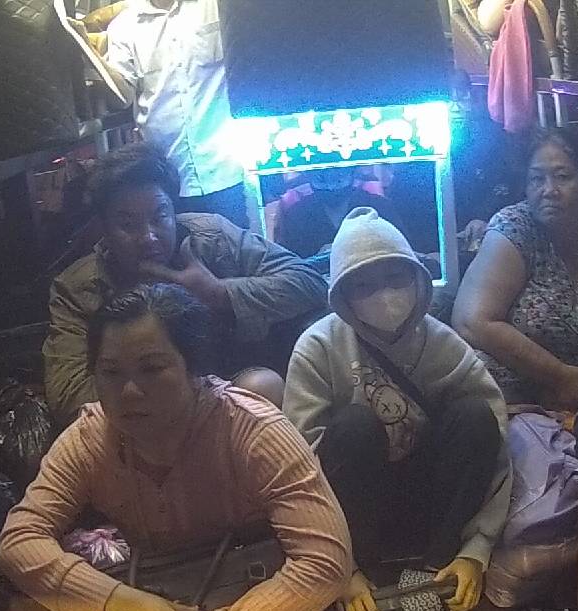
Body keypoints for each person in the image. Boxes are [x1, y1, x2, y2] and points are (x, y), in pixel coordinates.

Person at [2, 283, 352, 611]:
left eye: (152, 368)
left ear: (194, 368)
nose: (129, 391)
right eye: (110, 372)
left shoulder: (253, 431)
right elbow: (19, 540)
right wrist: (120, 605)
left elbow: (324, 561)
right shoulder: (91, 439)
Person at [284, 207, 511, 611]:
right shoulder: (318, 347)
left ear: (417, 279)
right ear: (342, 295)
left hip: (432, 504)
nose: (384, 296)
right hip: (354, 511)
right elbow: (299, 471)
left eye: (395, 279)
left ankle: (432, 573)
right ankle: (369, 586)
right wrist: (342, 570)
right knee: (353, 426)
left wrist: (477, 550)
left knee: (475, 414)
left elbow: (495, 443)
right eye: (364, 285)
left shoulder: (444, 344)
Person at [41, 142, 328, 429]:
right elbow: (69, 394)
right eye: (128, 225)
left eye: (159, 217)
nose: (149, 237)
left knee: (261, 385)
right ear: (103, 229)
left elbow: (309, 282)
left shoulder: (212, 238)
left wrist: (218, 293)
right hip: (143, 419)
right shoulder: (78, 288)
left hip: (234, 396)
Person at [452, 127, 578, 411]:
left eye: (563, 177)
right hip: (510, 408)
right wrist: (559, 376)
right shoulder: (515, 228)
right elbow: (471, 321)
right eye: (537, 179)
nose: (549, 190)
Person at [102, 0, 248, 226]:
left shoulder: (217, 6)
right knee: (179, 244)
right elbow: (121, 99)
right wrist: (91, 60)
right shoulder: (123, 27)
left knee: (234, 242)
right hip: (168, 177)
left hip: (227, 169)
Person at [273, 167, 401, 259]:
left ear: (351, 172)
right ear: (309, 176)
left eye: (338, 177)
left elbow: (401, 251)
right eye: (321, 178)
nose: (331, 187)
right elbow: (288, 263)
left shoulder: (379, 206)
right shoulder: (296, 214)